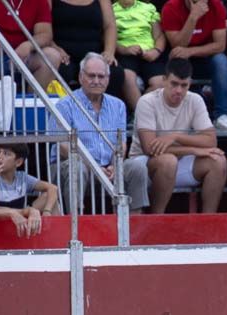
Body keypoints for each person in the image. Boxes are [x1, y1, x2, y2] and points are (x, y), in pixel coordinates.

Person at [52, 53, 152, 213]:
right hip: (74, 165)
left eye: (101, 76)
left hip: (108, 166)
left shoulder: (118, 105)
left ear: (108, 79)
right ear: (80, 77)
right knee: (77, 168)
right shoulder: (65, 105)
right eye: (91, 76)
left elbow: (120, 143)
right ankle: (76, 225)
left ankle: (133, 226)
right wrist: (94, 166)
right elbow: (63, 146)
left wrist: (114, 164)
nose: (97, 81)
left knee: (137, 167)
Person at [131, 58, 227, 214]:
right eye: (174, 84)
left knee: (218, 160)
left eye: (184, 85)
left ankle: (209, 222)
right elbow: (150, 148)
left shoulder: (195, 100)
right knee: (168, 162)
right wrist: (194, 150)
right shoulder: (147, 101)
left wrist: (175, 136)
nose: (179, 91)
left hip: (177, 161)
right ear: (164, 80)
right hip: (143, 164)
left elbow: (211, 140)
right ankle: (156, 219)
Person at [160, 0, 227, 133]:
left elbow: (220, 45)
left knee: (221, 60)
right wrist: (193, 17)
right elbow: (178, 45)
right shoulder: (171, 7)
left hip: (206, 57)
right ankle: (188, 116)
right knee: (178, 58)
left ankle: (222, 115)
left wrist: (191, 51)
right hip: (183, 59)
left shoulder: (216, 6)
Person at [52, 0, 130, 106]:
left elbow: (110, 26)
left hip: (95, 54)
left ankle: (107, 115)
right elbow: (44, 27)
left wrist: (109, 51)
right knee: (61, 73)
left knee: (115, 72)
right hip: (63, 55)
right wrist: (55, 48)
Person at [0, 0, 66, 88]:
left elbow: (45, 34)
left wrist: (28, 45)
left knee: (52, 56)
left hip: (22, 60)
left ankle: (33, 100)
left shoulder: (39, 1)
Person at [113, 0, 170, 110]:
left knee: (160, 83)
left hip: (149, 53)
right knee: (127, 77)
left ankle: (142, 112)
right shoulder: (111, 10)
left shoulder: (148, 8)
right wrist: (124, 49)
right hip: (126, 53)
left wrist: (156, 51)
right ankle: (141, 117)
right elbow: (109, 39)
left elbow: (159, 36)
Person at [0, 141, 60, 212]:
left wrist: (47, 211)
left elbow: (53, 188)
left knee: (49, 198)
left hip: (21, 219)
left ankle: (54, 223)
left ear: (18, 162)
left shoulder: (22, 178)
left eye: (6, 154)